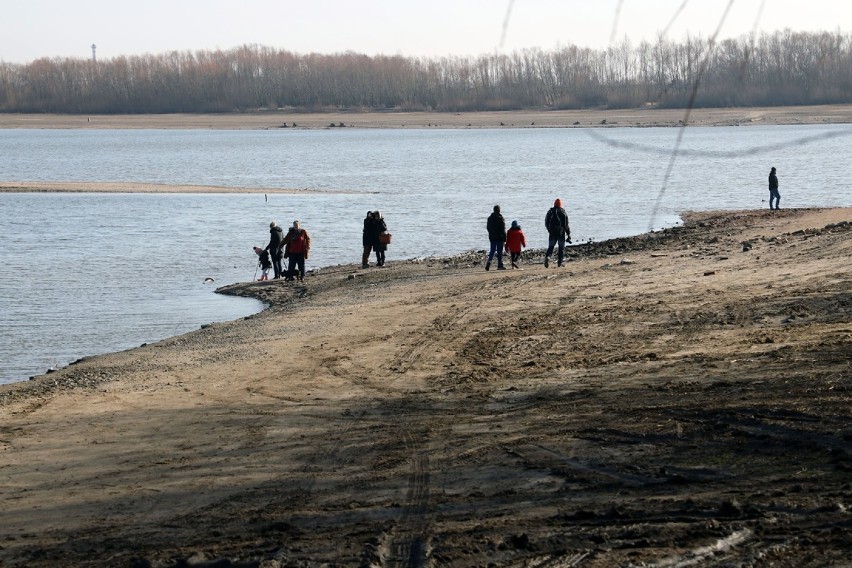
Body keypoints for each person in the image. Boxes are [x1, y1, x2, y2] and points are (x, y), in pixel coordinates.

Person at [544, 198, 572, 268]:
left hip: (552, 231)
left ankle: (548, 256)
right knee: (561, 248)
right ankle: (560, 262)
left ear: (554, 204)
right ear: (561, 205)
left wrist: (549, 230)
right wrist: (568, 234)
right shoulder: (563, 212)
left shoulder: (550, 212)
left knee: (551, 247)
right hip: (560, 232)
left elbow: (546, 222)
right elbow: (566, 225)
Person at [485, 205, 507, 271]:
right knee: (499, 251)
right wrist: (504, 238)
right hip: (499, 237)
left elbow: (488, 228)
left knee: (492, 250)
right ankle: (500, 265)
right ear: (499, 210)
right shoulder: (500, 218)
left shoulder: (490, 218)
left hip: (492, 237)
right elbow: (503, 229)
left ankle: (489, 261)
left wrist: (491, 234)